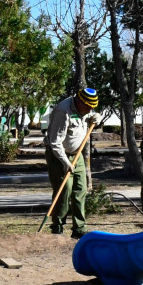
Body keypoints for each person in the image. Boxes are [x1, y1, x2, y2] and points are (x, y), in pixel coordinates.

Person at [45, 88, 101, 238]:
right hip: (58, 155)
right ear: (79, 101)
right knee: (64, 191)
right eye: (88, 106)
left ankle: (79, 228)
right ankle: (57, 226)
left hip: (78, 154)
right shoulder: (63, 111)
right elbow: (54, 142)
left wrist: (96, 117)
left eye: (92, 107)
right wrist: (65, 162)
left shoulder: (85, 108)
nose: (90, 109)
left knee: (80, 190)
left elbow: (91, 115)